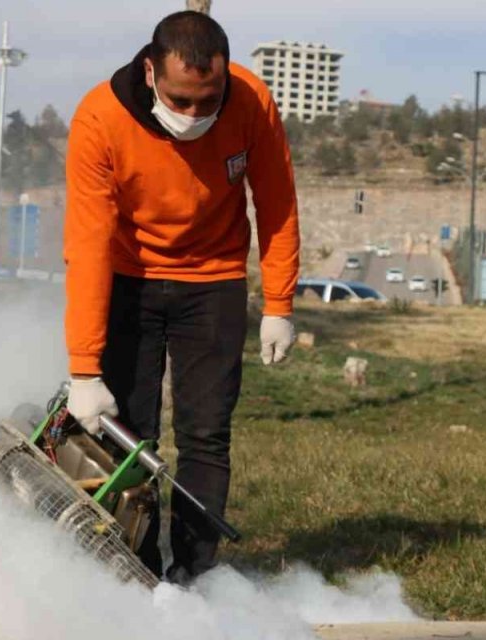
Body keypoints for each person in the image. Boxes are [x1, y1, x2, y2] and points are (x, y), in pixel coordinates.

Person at [62, 11, 300, 584]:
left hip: (214, 280)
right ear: (150, 72)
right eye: (181, 100)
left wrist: (279, 304)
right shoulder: (100, 118)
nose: (195, 114)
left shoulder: (251, 101)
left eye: (208, 100)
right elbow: (88, 245)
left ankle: (194, 578)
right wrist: (84, 369)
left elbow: (277, 201)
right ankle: (132, 575)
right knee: (126, 432)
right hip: (129, 277)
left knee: (206, 433)